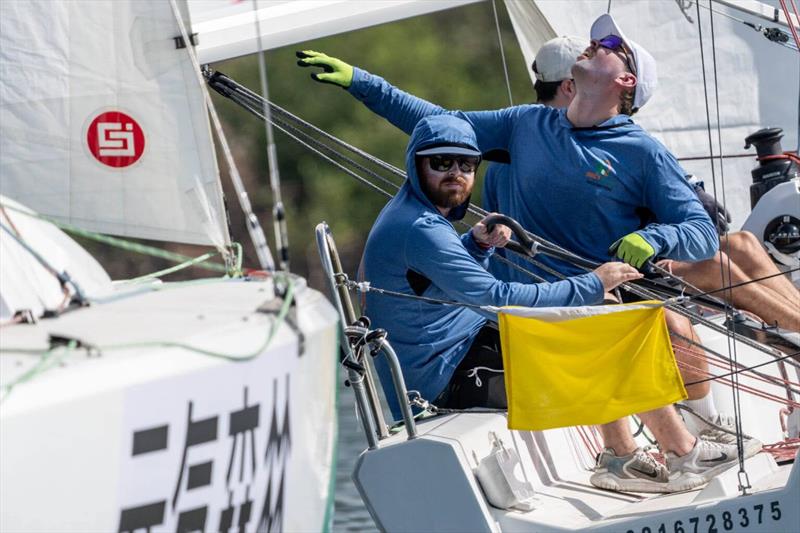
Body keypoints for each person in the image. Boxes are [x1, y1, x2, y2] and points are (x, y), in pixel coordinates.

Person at [297, 14, 748, 492]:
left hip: (546, 301)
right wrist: (363, 83)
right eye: (444, 165)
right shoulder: (526, 123)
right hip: (514, 309)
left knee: (620, 322)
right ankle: (666, 454)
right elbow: (440, 126)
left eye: (610, 42)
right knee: (599, 331)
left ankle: (652, 450)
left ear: (626, 80)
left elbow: (701, 233)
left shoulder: (642, 151)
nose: (594, 42)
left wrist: (656, 239)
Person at [362, 113, 640, 419]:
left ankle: (651, 447)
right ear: (417, 165)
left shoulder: (415, 214)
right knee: (593, 346)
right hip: (440, 379)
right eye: (442, 162)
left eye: (466, 164)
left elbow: (427, 281)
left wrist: (476, 245)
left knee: (598, 322)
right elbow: (498, 298)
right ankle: (636, 451)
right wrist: (593, 283)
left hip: (462, 345)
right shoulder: (419, 227)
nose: (456, 173)